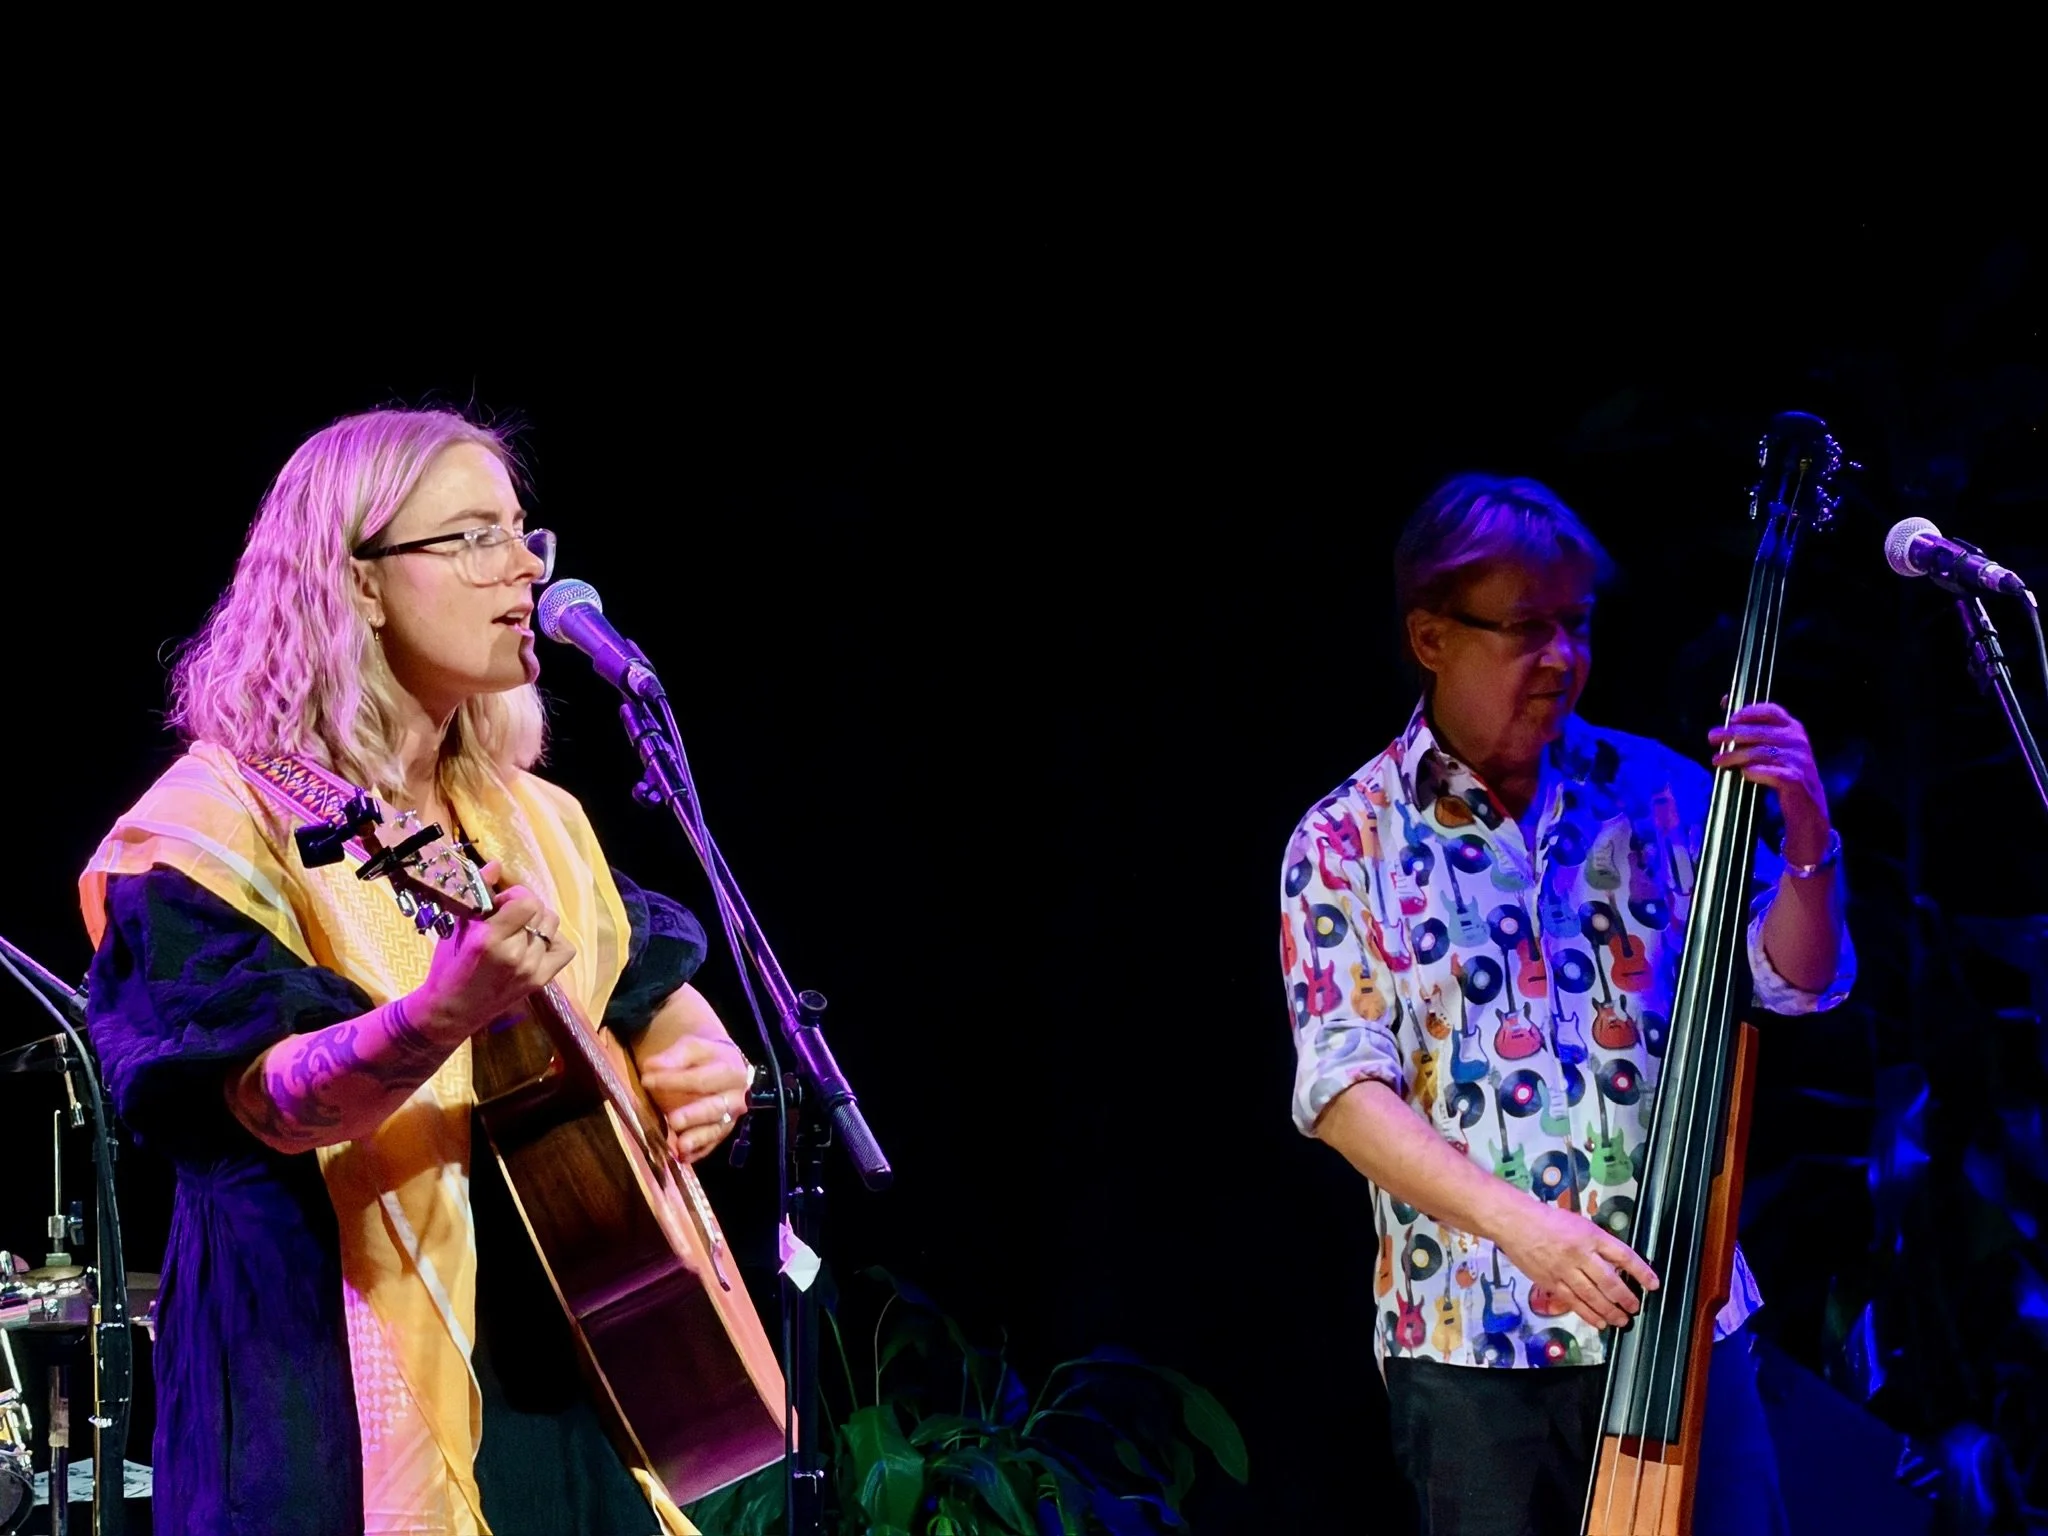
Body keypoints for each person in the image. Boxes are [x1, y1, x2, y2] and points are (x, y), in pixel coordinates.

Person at [78, 408, 756, 1535]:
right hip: (323, 1387)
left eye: (524, 535)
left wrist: (689, 1034)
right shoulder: (208, 832)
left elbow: (631, 962)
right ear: (357, 583)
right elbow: (257, 1103)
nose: (525, 571)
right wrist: (441, 1015)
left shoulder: (530, 821)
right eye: (472, 537)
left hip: (567, 1380)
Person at [1279, 474, 1855, 1536]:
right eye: (1525, 630)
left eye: (1575, 626)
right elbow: (1342, 1091)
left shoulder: (1663, 793)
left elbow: (1799, 981)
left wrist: (1808, 836)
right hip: (1474, 1346)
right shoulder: (1343, 839)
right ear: (1428, 637)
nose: (1562, 660)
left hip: (1686, 1325)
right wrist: (1529, 1234)